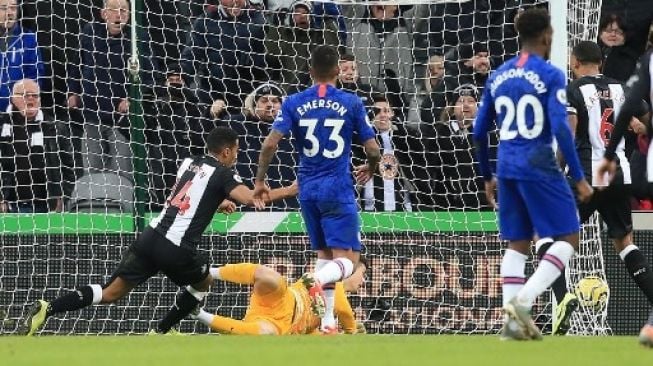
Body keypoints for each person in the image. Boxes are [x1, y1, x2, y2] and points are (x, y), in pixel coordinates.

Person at [18, 127, 298, 336]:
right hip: (176, 247)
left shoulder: (189, 163)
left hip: (151, 236)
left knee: (111, 292)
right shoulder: (224, 173)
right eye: (236, 150)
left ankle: (48, 307)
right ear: (226, 151)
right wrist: (294, 189)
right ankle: (162, 331)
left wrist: (218, 202)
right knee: (203, 283)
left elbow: (186, 199)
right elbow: (252, 199)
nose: (236, 155)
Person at [473, 8, 593, 341]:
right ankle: (523, 302)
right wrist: (580, 176)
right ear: (546, 36)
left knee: (517, 244)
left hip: (506, 166)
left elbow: (479, 131)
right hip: (539, 163)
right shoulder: (551, 74)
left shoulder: (498, 75)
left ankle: (512, 326)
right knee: (569, 237)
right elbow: (560, 126)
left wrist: (486, 175)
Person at [252, 45, 381, 333]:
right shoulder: (351, 102)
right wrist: (371, 168)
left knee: (324, 256)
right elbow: (373, 149)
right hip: (337, 188)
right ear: (337, 70)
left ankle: (327, 323)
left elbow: (270, 144)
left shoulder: (293, 102)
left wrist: (260, 181)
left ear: (310, 72)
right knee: (348, 262)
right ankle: (316, 281)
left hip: (307, 189)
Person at [539, 41, 653, 336]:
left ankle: (563, 296)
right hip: (619, 175)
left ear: (575, 62)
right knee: (625, 243)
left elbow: (569, 130)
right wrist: (639, 129)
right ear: (600, 62)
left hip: (588, 176)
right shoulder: (622, 88)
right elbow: (643, 121)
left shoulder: (572, 89)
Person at [596, 43, 653, 348]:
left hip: (598, 172)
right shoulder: (627, 84)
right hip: (629, 173)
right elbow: (641, 115)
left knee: (557, 234)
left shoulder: (648, 63)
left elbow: (631, 104)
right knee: (624, 241)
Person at [190, 259, 368, 335]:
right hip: (283, 299)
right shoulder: (334, 287)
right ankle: (207, 273)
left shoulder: (327, 312)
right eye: (362, 274)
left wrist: (337, 334)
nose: (363, 281)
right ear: (349, 272)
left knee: (263, 334)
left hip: (283, 324)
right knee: (270, 277)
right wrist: (351, 332)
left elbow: (314, 337)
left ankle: (197, 313)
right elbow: (345, 313)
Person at [0, 79, 76, 213]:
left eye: (35, 95)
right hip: (9, 206)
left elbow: (70, 167)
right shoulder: (2, 126)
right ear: (13, 99)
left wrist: (62, 197)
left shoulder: (56, 127)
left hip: (46, 207)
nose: (31, 99)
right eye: (25, 95)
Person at [353, 94, 413, 212]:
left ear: (393, 114)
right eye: (377, 111)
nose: (383, 115)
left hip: (401, 210)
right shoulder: (361, 140)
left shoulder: (403, 138)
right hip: (368, 210)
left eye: (386, 111)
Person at [265, 0, 340, 93]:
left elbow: (334, 50)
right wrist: (276, 27)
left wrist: (328, 22)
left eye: (305, 13)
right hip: (288, 89)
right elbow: (271, 56)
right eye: (297, 13)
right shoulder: (285, 36)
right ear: (291, 17)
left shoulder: (319, 36)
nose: (302, 16)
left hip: (316, 89)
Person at [0, 0, 44, 112]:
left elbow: (35, 75)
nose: (9, 13)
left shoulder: (28, 38)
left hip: (15, 113)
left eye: (13, 8)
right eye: (4, 8)